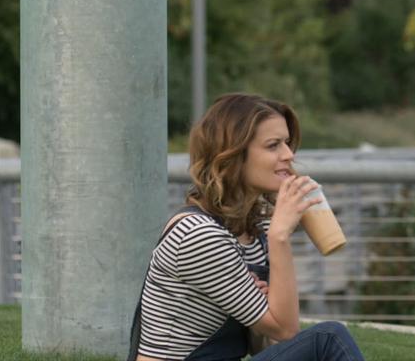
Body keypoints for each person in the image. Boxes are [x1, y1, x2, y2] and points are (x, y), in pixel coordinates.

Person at [128, 93, 365, 361]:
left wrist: (260, 308)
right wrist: (280, 236)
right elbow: (287, 330)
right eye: (273, 145)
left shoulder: (251, 231)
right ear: (234, 155)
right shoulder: (199, 234)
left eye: (287, 143)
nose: (288, 155)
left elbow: (266, 346)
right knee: (327, 339)